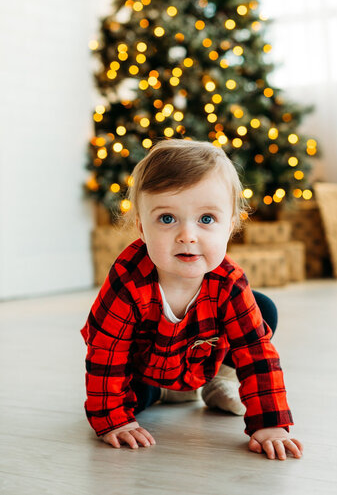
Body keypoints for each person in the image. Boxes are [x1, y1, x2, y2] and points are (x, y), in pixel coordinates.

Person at [81, 139, 304, 461]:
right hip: (146, 374)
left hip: (203, 363)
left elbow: (256, 353)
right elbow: (106, 353)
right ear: (142, 228)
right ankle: (162, 393)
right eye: (167, 219)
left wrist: (270, 424)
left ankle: (217, 384)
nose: (188, 235)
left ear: (231, 226)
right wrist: (112, 420)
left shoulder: (228, 282)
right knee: (132, 403)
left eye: (207, 219)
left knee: (263, 308)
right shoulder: (128, 283)